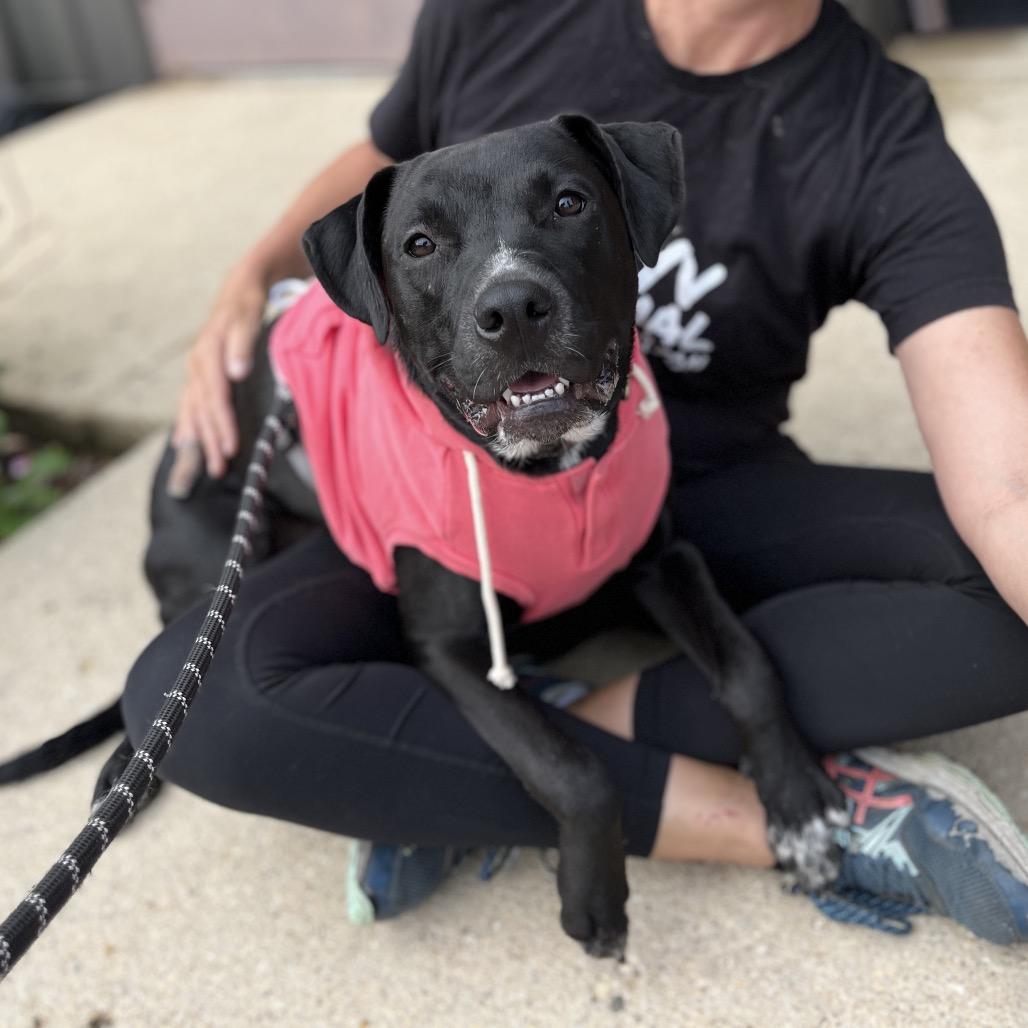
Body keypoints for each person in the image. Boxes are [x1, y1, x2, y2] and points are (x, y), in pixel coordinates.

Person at [125, 0, 1028, 943]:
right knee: (189, 702)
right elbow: (381, 171)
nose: (510, 294)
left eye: (565, 206)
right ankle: (722, 806)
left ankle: (470, 754)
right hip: (450, 497)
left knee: (1000, 605)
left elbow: (1010, 487)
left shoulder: (876, 127)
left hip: (688, 487)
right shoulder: (498, 11)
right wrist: (249, 278)